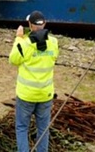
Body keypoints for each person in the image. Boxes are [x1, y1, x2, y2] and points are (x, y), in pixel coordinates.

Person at [9, 10, 59, 152]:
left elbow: (13, 60)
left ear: (29, 25)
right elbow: (54, 57)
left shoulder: (24, 44)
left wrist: (19, 38)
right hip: (45, 94)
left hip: (26, 95)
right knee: (43, 129)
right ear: (45, 24)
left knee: (22, 127)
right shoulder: (54, 43)